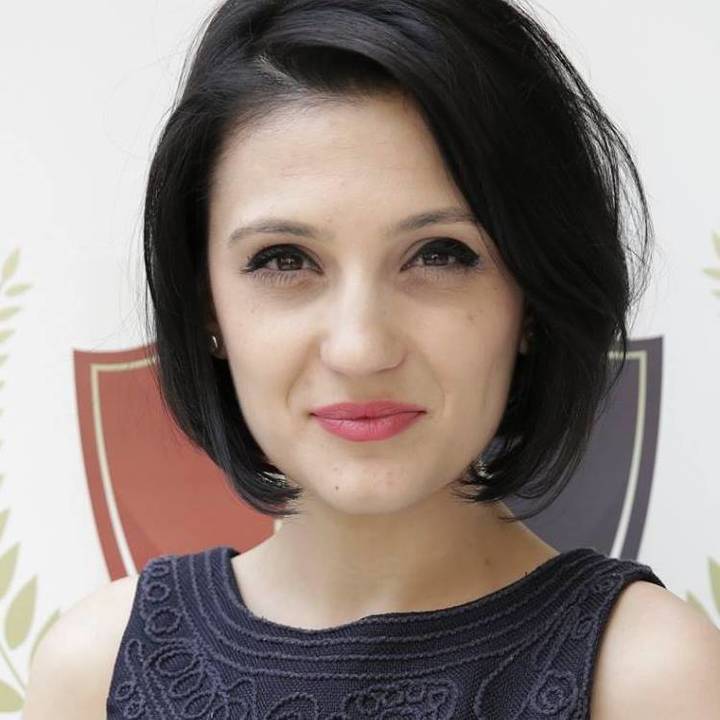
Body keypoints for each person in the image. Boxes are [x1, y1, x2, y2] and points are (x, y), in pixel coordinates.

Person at [24, 1, 720, 718]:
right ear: (207, 305)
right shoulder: (94, 671)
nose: (360, 348)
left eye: (440, 254)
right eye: (284, 259)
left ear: (531, 296)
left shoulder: (654, 681)